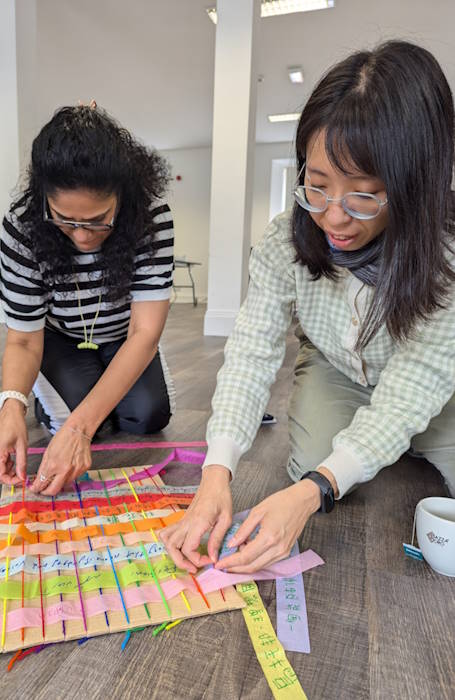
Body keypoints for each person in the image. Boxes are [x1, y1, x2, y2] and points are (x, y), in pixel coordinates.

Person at [160, 41, 455, 575]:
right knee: (317, 456)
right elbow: (251, 352)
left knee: (340, 468)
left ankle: (397, 448)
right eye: (316, 188)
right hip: (340, 370)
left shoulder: (445, 257)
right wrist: (216, 473)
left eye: (363, 196)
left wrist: (313, 490)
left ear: (415, 187)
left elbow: (415, 386)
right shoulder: (284, 241)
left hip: (437, 381)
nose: (333, 218)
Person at [0, 105, 175, 496]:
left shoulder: (152, 218)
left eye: (98, 220)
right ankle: (47, 395)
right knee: (92, 425)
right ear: (44, 199)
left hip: (125, 335)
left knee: (147, 416)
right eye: (65, 220)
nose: (83, 236)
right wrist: (11, 406)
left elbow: (144, 332)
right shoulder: (21, 227)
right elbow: (22, 339)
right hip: (59, 339)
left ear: (122, 197)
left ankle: (82, 392)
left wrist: (78, 429)